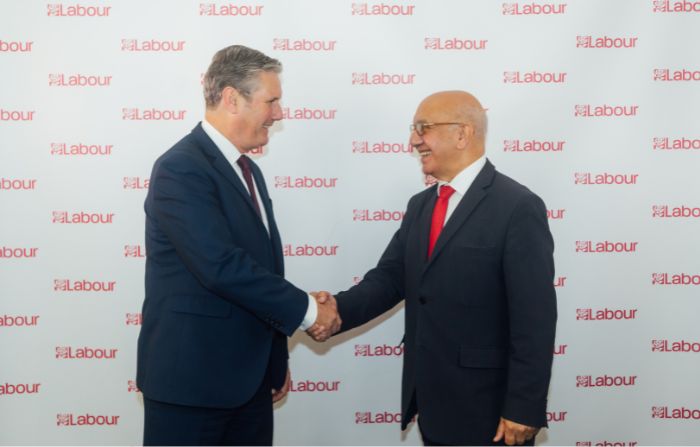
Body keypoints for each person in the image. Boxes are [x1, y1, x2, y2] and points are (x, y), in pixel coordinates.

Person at [311, 91, 557, 446]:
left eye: (423, 128)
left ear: (462, 133)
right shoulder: (421, 205)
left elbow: (535, 318)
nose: (414, 140)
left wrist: (524, 406)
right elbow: (389, 279)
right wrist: (330, 310)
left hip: (491, 412)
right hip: (431, 402)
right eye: (413, 129)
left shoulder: (518, 206)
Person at [136, 45, 340, 446]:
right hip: (191, 389)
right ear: (232, 98)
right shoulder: (181, 168)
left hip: (249, 385)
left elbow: (260, 270)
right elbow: (220, 266)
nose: (279, 113)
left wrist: (274, 361)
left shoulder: (250, 172)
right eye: (272, 101)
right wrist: (310, 310)